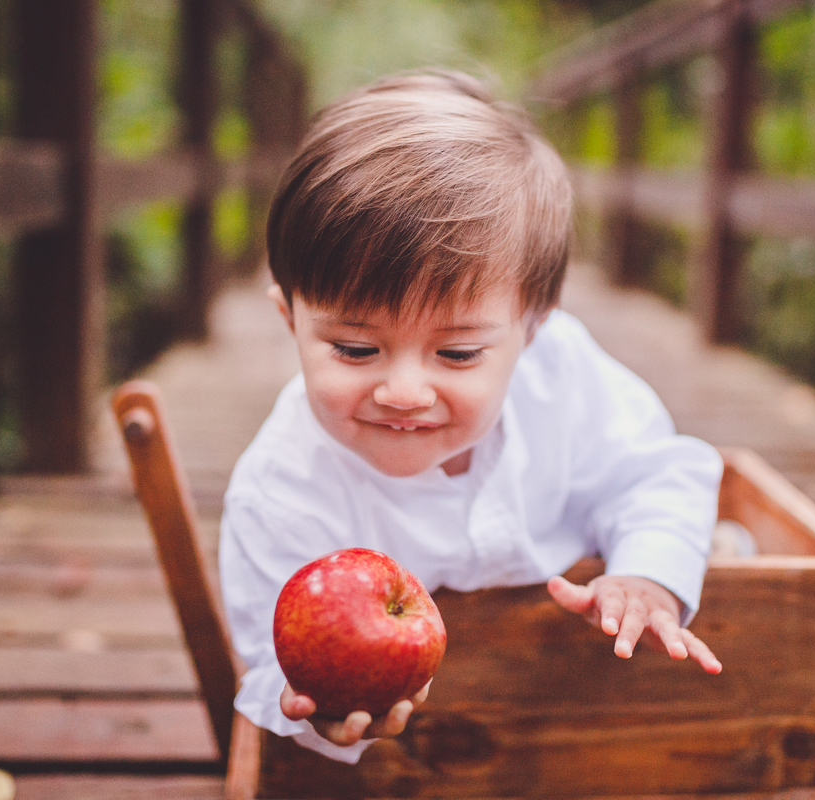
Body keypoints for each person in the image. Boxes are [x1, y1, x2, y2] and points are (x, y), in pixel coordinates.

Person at [218, 69, 724, 765]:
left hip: (608, 731)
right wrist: (325, 712)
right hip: (430, 763)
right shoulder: (281, 492)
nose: (403, 390)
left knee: (722, 549)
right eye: (356, 347)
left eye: (456, 353)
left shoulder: (563, 378)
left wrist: (649, 575)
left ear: (533, 330)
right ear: (290, 319)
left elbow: (657, 470)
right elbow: (269, 662)